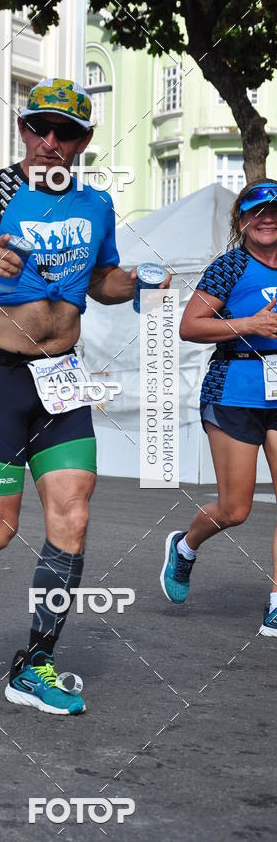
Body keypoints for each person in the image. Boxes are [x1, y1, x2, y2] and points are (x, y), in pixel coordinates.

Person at [0, 77, 170, 715]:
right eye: (39, 128)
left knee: (74, 514)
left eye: (67, 132)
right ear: (24, 130)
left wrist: (136, 282)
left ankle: (34, 664)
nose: (50, 142)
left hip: (61, 374)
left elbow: (101, 278)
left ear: (84, 142)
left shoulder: (97, 204)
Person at [162, 179, 277, 636]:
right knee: (235, 509)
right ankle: (186, 546)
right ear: (242, 220)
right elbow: (190, 326)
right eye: (256, 211)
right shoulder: (229, 267)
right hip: (234, 391)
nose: (267, 218)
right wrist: (250, 323)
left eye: (275, 210)